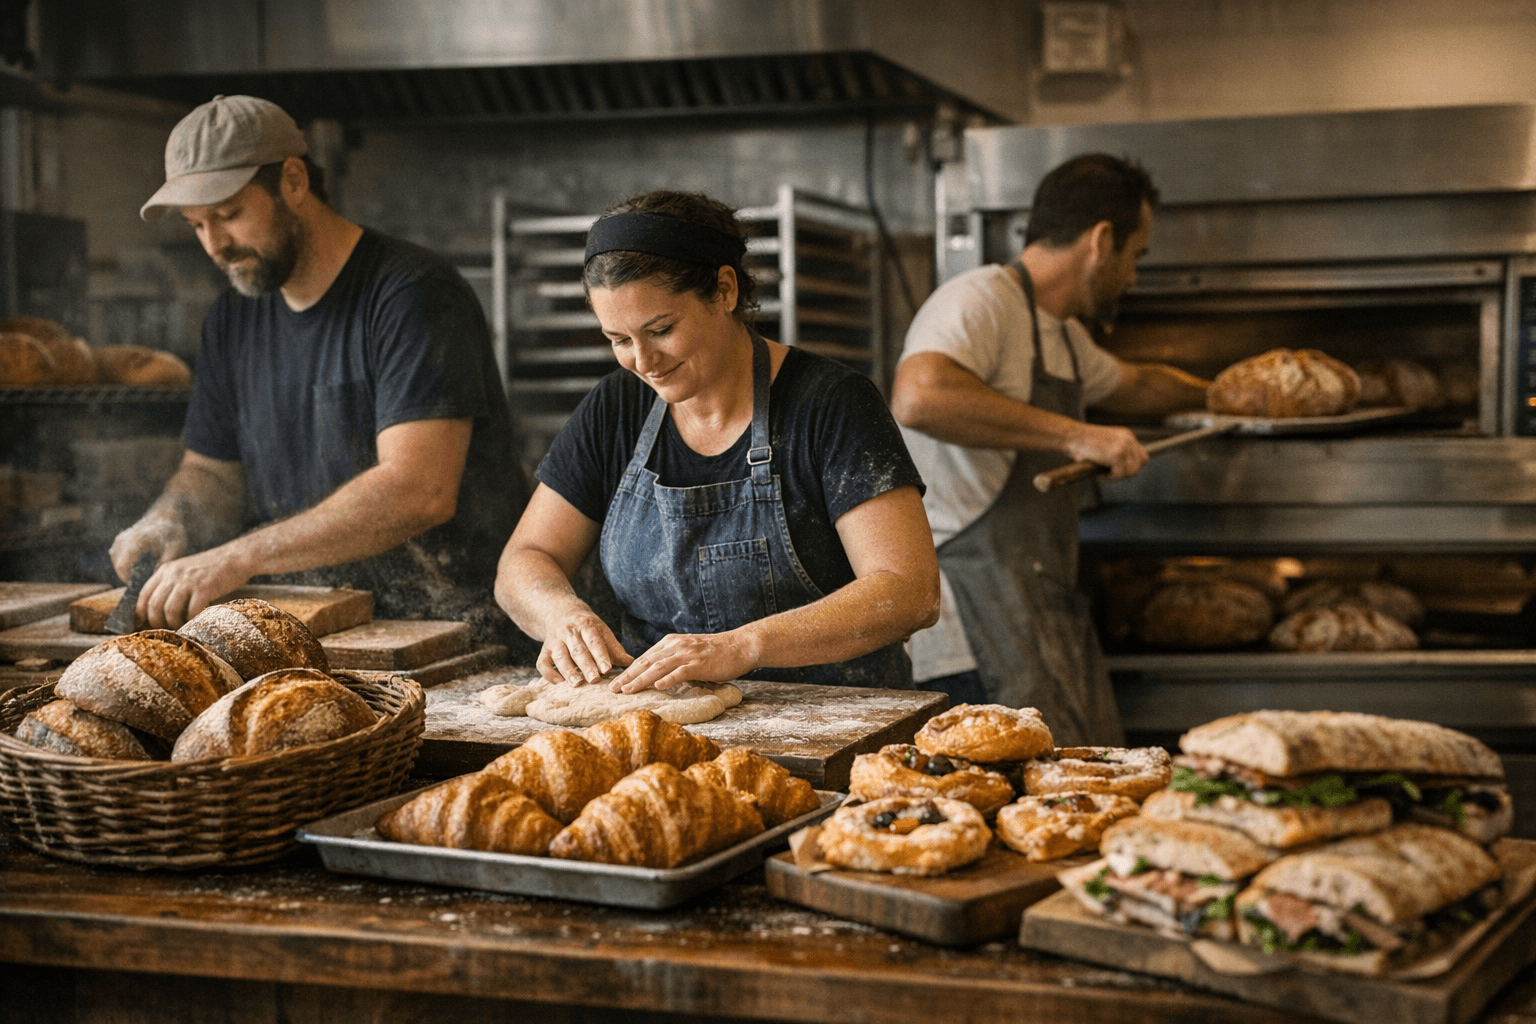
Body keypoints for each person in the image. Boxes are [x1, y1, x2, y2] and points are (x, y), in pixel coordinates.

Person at [112, 95, 532, 646]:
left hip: (451, 631)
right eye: (197, 225)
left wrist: (236, 558)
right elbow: (213, 471)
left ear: (292, 181)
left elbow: (419, 487)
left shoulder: (412, 294)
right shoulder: (232, 319)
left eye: (229, 214)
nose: (215, 245)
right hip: (313, 628)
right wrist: (173, 515)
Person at [495, 189, 938, 693]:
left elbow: (909, 591)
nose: (643, 361)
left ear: (724, 291)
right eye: (618, 340)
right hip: (660, 727)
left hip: (838, 721)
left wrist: (739, 646)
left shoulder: (832, 403)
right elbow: (524, 558)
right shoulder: (617, 407)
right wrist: (561, 614)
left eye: (661, 329)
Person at [889, 153, 1209, 745]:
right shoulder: (980, 299)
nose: (1133, 278)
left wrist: (1229, 397)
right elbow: (919, 396)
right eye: (1136, 257)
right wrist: (1077, 433)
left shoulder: (1061, 332)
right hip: (969, 618)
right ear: (1101, 240)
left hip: (1033, 602)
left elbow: (1136, 385)